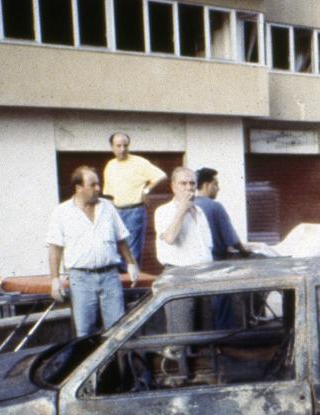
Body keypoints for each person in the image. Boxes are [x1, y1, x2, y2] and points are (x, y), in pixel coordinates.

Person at [46, 165, 139, 336]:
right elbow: (55, 248)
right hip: (81, 279)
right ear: (79, 187)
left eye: (99, 184)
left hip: (110, 276)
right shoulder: (61, 212)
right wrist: (55, 280)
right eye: (93, 185)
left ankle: (117, 363)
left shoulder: (108, 207)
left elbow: (121, 239)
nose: (98, 188)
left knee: (118, 329)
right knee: (85, 331)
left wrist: (131, 264)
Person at [153, 166, 213, 333]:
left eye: (192, 183)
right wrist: (181, 210)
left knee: (206, 334)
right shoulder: (163, 211)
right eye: (183, 183)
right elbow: (170, 238)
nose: (188, 188)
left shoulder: (201, 211)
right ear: (173, 187)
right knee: (181, 335)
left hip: (205, 277)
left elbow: (207, 248)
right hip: (179, 277)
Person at [102, 132, 166, 269]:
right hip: (116, 212)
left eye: (125, 145)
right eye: (118, 146)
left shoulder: (139, 162)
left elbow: (161, 175)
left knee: (131, 252)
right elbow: (108, 194)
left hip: (134, 211)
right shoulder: (110, 165)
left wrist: (146, 190)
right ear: (112, 147)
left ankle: (132, 286)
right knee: (115, 250)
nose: (122, 149)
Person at [194, 167, 246, 328]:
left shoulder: (189, 205)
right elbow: (232, 239)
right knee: (222, 301)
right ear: (207, 185)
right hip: (216, 264)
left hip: (193, 267)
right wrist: (245, 251)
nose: (218, 188)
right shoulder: (215, 206)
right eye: (216, 184)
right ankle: (224, 339)